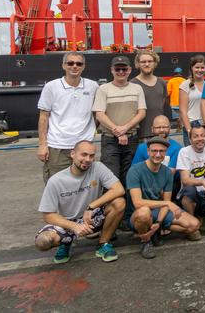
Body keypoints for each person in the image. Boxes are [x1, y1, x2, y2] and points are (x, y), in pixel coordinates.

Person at [34, 140, 126, 264]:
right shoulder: (56, 181)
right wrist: (75, 226)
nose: (88, 159)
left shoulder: (97, 168)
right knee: (42, 242)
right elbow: (47, 215)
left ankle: (103, 244)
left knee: (119, 202)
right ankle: (65, 243)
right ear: (73, 154)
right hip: (67, 223)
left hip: (92, 218)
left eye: (91, 156)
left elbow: (119, 189)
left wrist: (91, 207)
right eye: (84, 154)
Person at [126, 137, 201, 259]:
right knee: (144, 212)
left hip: (157, 211)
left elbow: (166, 201)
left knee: (194, 225)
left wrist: (159, 222)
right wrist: (166, 204)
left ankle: (155, 229)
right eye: (154, 151)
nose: (158, 154)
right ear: (148, 152)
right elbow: (137, 203)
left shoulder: (166, 172)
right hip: (137, 214)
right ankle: (146, 242)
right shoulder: (135, 170)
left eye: (161, 151)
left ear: (165, 153)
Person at [37, 52, 99, 182]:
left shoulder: (93, 86)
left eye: (78, 64)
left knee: (84, 184)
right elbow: (44, 116)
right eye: (70, 63)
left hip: (84, 145)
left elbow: (97, 113)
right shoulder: (51, 87)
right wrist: (43, 145)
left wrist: (92, 132)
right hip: (58, 146)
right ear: (63, 66)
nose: (74, 66)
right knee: (57, 185)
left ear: (83, 66)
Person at [93, 55, 146, 185]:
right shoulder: (103, 89)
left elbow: (142, 112)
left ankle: (128, 204)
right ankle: (112, 204)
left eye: (124, 69)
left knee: (130, 176)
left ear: (129, 70)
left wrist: (125, 129)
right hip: (110, 140)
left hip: (132, 138)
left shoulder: (137, 89)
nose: (121, 72)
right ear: (112, 70)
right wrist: (118, 131)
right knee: (110, 177)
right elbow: (100, 114)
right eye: (118, 69)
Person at [130, 116, 182, 195]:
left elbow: (170, 173)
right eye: (158, 127)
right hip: (146, 184)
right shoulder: (142, 147)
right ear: (152, 129)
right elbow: (135, 171)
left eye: (165, 127)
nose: (162, 130)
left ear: (170, 128)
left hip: (169, 185)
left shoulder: (177, 148)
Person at [131, 50, 172, 140]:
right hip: (141, 134)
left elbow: (164, 104)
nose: (147, 64)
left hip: (161, 132)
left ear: (155, 63)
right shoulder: (132, 84)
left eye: (150, 61)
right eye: (143, 62)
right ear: (138, 64)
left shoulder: (161, 82)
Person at [178, 54, 205, 147]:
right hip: (192, 123)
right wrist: (189, 130)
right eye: (197, 67)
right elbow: (182, 110)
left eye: (202, 67)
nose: (200, 70)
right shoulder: (185, 85)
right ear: (191, 68)